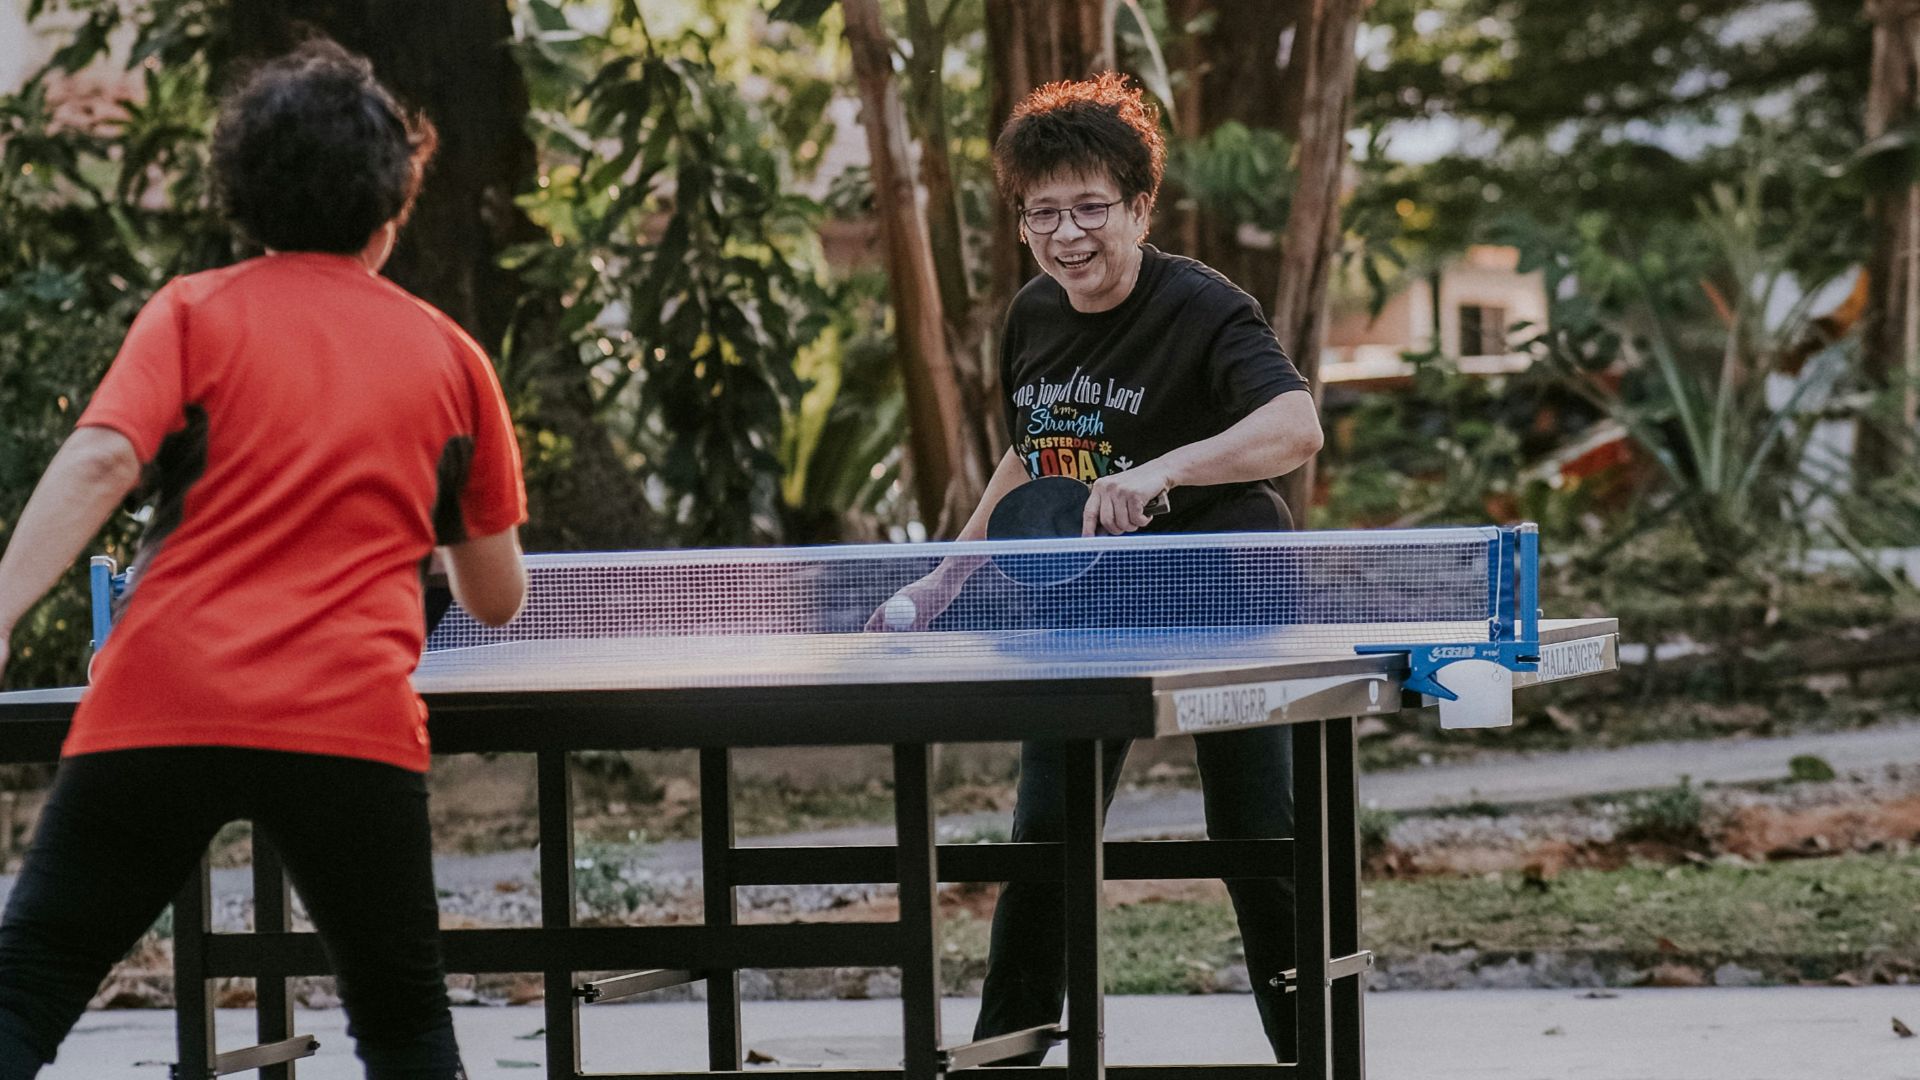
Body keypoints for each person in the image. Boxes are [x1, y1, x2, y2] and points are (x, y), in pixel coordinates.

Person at [0, 40, 527, 1080]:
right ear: (394, 210)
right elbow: (496, 596)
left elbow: (105, 455)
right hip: (349, 725)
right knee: (408, 1030)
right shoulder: (451, 359)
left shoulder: (192, 313)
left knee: (27, 984)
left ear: (244, 196)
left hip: (160, 701)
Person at [873, 73, 1323, 1063]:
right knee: (1045, 840)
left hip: (1224, 592)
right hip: (1087, 600)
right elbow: (1031, 455)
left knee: (1257, 837)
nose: (1067, 234)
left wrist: (1164, 468)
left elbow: (1296, 425)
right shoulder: (1033, 317)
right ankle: (1009, 1052)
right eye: (1044, 214)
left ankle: (1311, 1050)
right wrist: (938, 582)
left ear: (1138, 207)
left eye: (1090, 209)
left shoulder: (1206, 307)